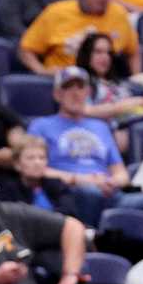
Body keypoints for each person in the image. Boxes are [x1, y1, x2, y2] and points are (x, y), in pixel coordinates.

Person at [26, 66, 128, 224]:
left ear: (87, 93)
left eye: (80, 87)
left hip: (109, 192)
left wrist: (112, 182)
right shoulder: (41, 126)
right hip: (70, 190)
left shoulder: (101, 127)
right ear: (57, 94)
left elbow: (122, 174)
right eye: (68, 87)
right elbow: (34, 168)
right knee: (91, 193)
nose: (75, 93)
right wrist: (81, 179)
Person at [18, 0, 139, 74]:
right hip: (65, 86)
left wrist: (136, 76)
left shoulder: (119, 14)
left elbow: (134, 51)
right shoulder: (56, 12)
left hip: (104, 87)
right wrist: (42, 71)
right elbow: (25, 50)